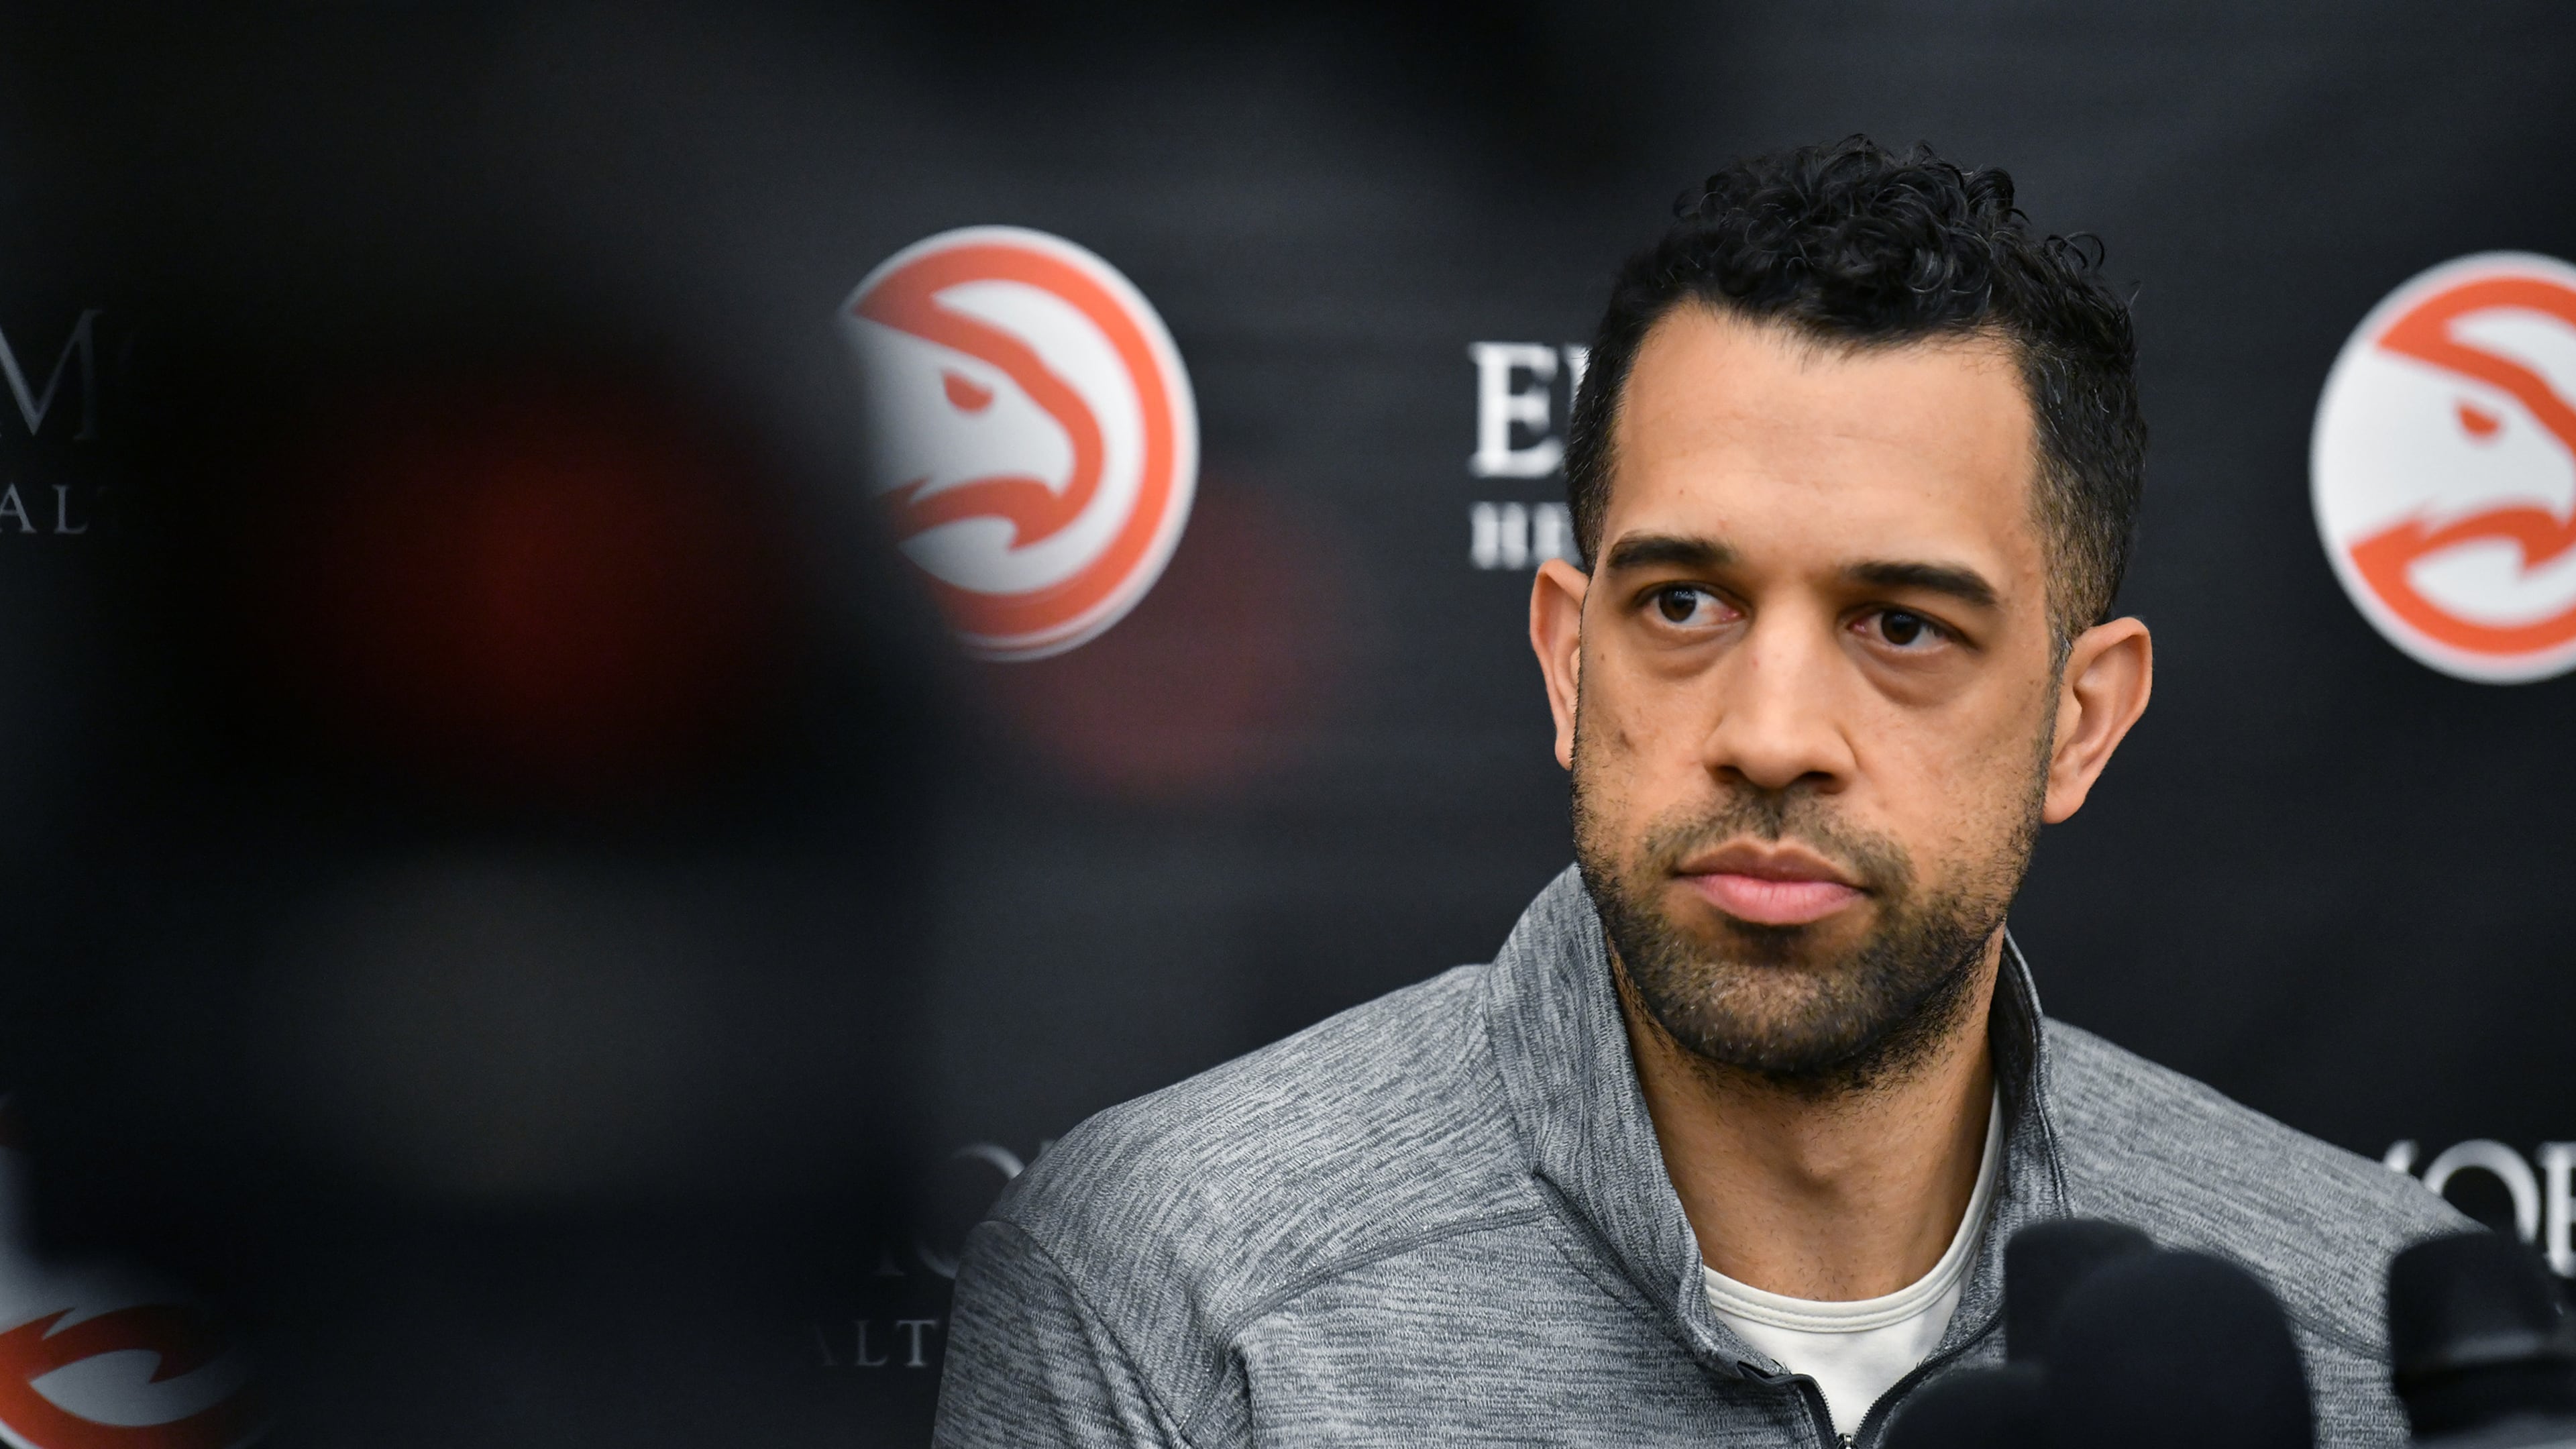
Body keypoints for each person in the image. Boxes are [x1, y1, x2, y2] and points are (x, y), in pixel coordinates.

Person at [931, 138, 2464, 1448]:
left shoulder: (2378, 1337)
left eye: (1903, 626)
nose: (1773, 733)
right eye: (1682, 605)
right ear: (1565, 663)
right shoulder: (1168, 1282)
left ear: (2081, 720)